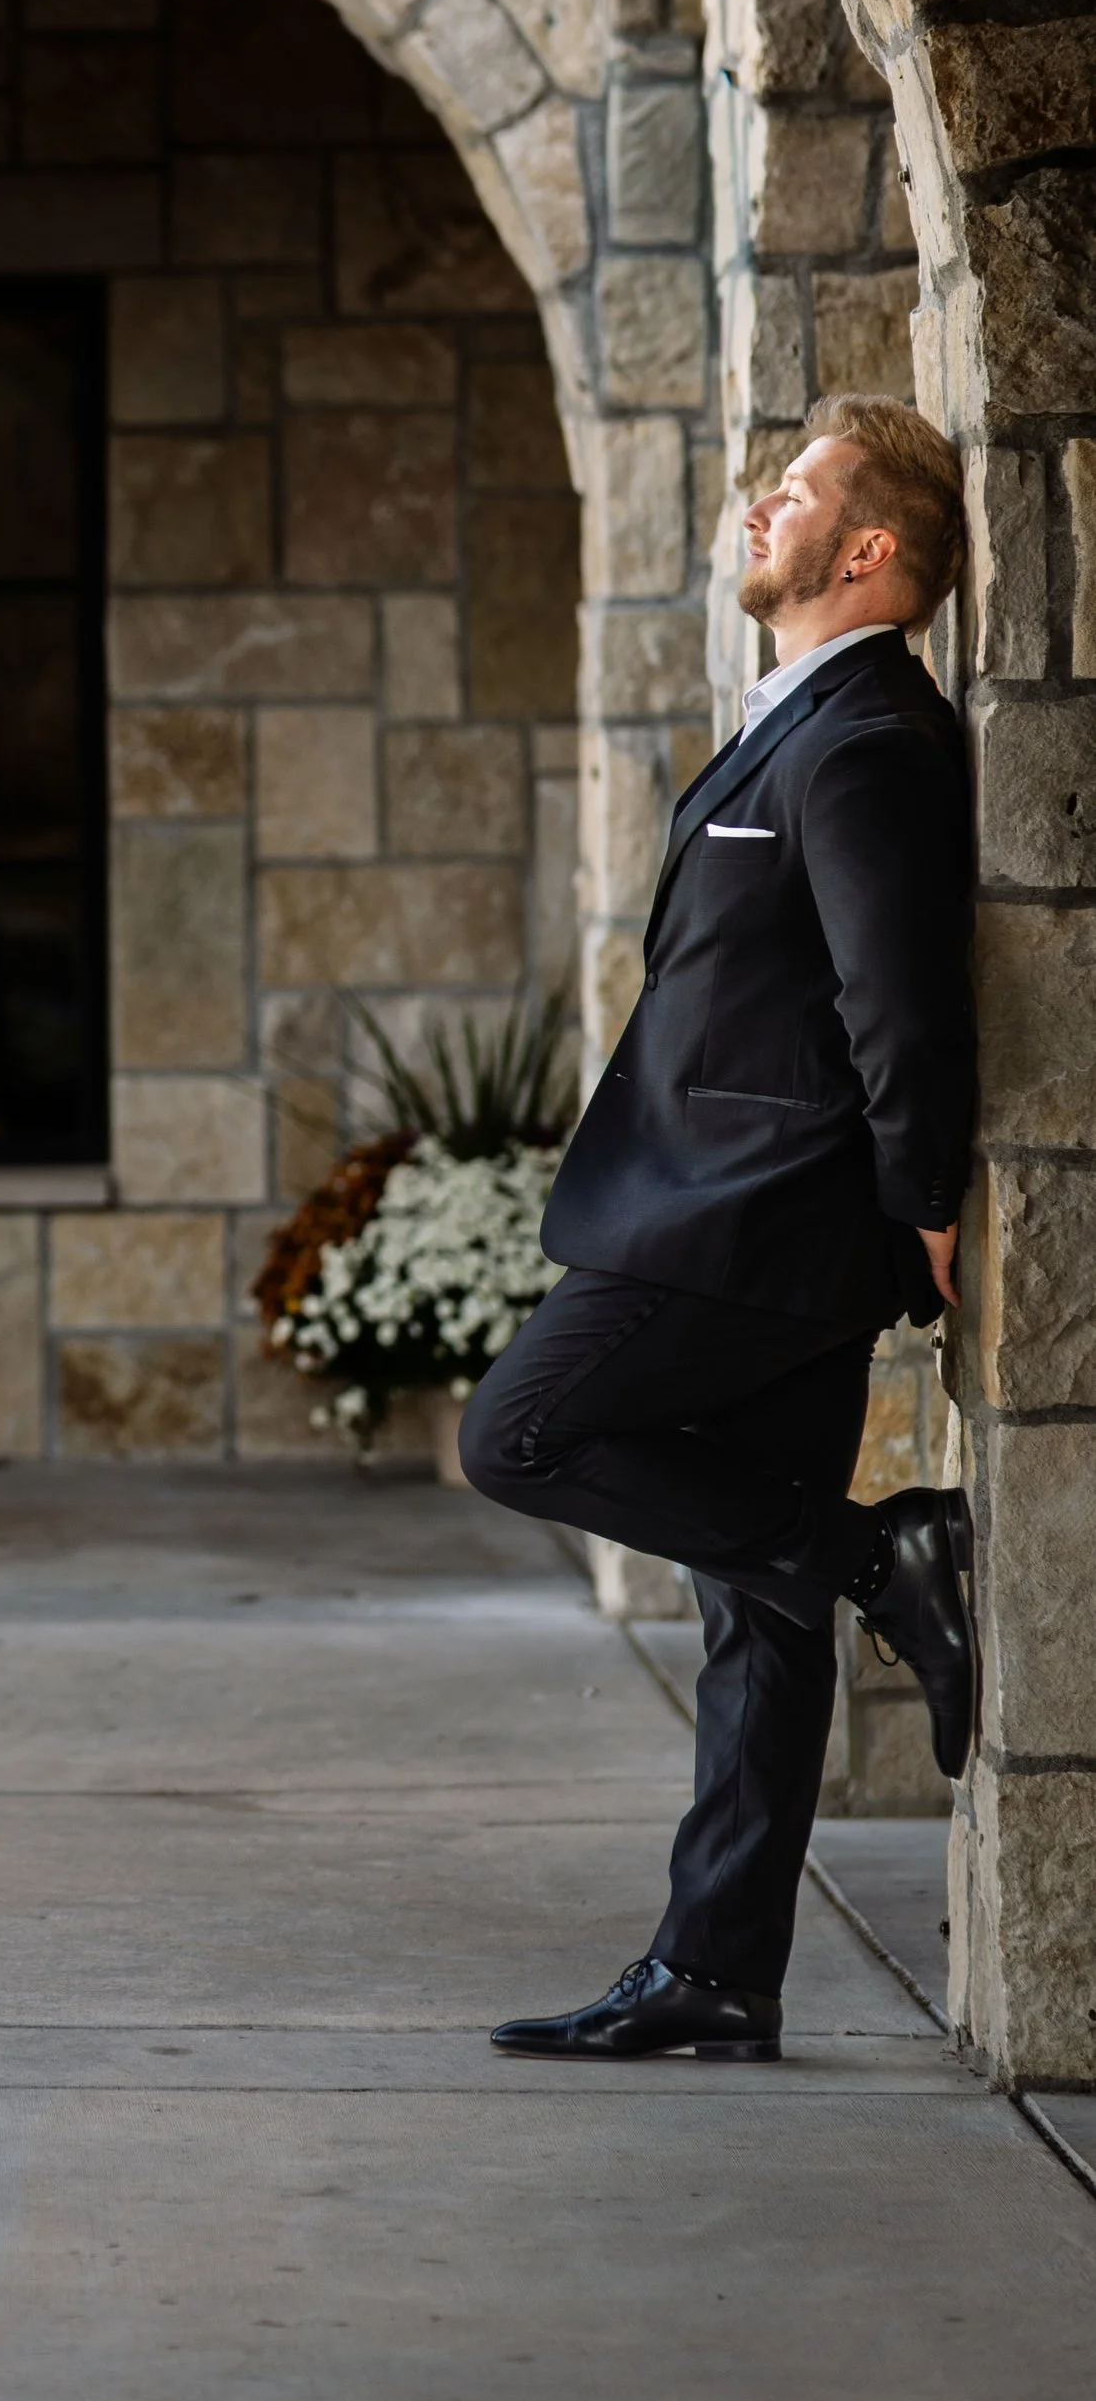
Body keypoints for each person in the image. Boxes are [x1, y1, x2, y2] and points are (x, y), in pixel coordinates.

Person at [458, 394, 978, 2064]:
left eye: (802, 490)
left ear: (869, 549)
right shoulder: (797, 720)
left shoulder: (871, 737)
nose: (767, 504)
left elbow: (898, 1001)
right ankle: (720, 1969)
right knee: (756, 1600)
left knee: (519, 1430)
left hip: (752, 1228)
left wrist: (925, 1202)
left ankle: (882, 1555)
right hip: (723, 1215)